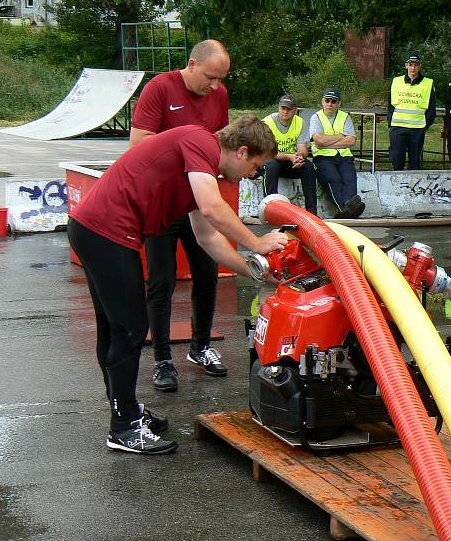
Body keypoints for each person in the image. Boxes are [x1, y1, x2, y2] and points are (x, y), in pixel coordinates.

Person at [68, 116, 289, 454]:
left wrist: (254, 271)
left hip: (97, 230)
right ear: (242, 151)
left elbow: (207, 238)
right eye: (255, 166)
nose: (252, 174)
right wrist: (258, 244)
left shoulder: (202, 167)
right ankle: (124, 426)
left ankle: (125, 410)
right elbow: (214, 209)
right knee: (128, 330)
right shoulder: (201, 142)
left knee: (116, 331)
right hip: (107, 233)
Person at [130, 39, 231, 392]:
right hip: (162, 201)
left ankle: (200, 347)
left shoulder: (219, 94)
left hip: (197, 199)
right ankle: (161, 359)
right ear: (191, 64)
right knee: (162, 281)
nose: (215, 86)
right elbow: (138, 143)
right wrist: (185, 151)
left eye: (221, 79)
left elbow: (220, 143)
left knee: (208, 273)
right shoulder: (160, 88)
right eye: (210, 77)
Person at [309, 88, 365, 218]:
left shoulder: (345, 117)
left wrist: (327, 141)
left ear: (338, 103)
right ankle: (346, 209)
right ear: (322, 102)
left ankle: (347, 211)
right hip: (323, 157)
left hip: (344, 156)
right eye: (327, 101)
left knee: (350, 179)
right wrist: (341, 135)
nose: (330, 104)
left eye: (333, 101)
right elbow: (319, 141)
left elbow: (351, 140)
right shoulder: (316, 117)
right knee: (333, 179)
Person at [261, 93, 318, 215]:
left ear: (295, 110)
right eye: (283, 108)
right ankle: (270, 209)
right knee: (272, 165)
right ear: (279, 108)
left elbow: (303, 149)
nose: (285, 112)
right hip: (271, 159)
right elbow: (267, 152)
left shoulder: (301, 123)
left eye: (289, 109)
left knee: (308, 167)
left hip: (291, 162)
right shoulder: (267, 122)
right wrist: (290, 156)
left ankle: (312, 213)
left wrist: (299, 157)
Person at [387, 54, 436, 170]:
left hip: (417, 129)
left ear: (420, 66)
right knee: (396, 159)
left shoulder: (428, 83)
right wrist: (390, 123)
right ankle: (397, 186)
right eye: (410, 65)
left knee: (414, 162)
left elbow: (431, 108)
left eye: (415, 65)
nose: (413, 68)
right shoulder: (396, 81)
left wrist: (424, 125)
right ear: (406, 66)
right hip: (398, 128)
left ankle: (412, 187)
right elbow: (390, 105)